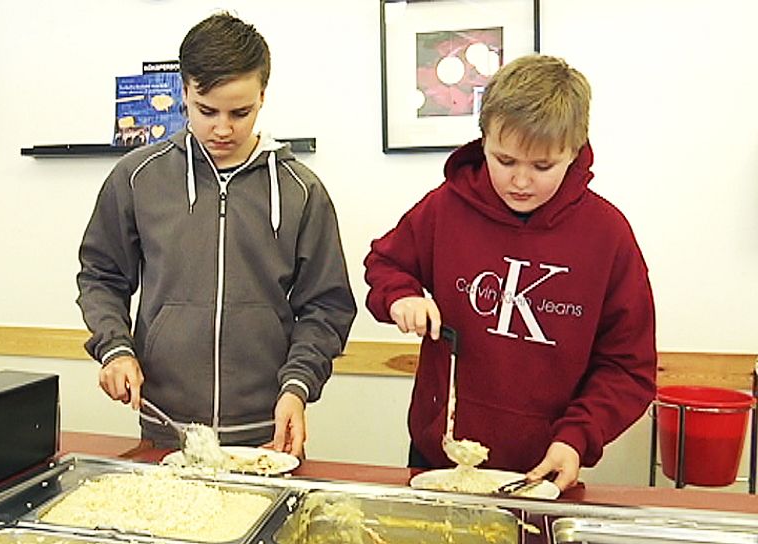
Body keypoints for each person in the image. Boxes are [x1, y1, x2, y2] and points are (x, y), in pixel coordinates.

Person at [363, 54, 656, 491]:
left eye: (542, 167)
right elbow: (385, 263)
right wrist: (401, 295)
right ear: (483, 142)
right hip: (438, 458)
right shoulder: (445, 208)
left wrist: (577, 437)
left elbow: (628, 368)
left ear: (573, 153)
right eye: (504, 160)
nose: (520, 181)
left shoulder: (608, 235)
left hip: (542, 468)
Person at [76, 12, 356, 457]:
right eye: (207, 111)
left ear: (263, 96)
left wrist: (298, 386)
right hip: (166, 426)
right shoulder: (137, 178)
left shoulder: (302, 191)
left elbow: (327, 306)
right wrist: (114, 348)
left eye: (240, 112)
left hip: (268, 430)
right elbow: (101, 277)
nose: (222, 128)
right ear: (184, 92)